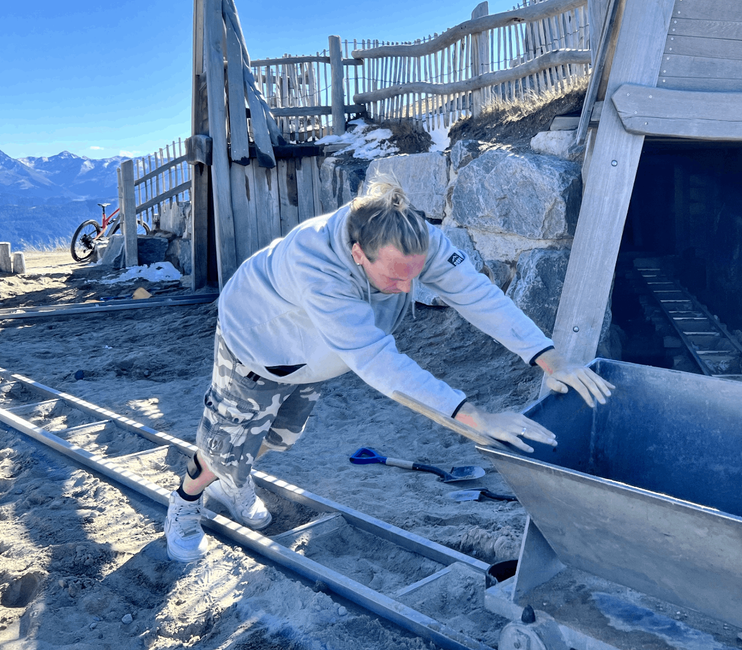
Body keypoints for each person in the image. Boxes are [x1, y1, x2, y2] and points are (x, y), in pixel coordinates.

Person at [164, 179, 614, 562]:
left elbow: (476, 294)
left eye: (414, 276)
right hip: (257, 346)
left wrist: (549, 358)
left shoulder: (414, 239)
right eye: (395, 278)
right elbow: (379, 362)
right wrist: (475, 417)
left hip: (315, 356)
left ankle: (233, 479)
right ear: (358, 254)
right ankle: (187, 499)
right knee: (224, 452)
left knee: (279, 439)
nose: (407, 288)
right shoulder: (315, 266)